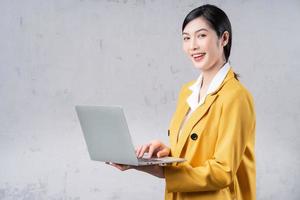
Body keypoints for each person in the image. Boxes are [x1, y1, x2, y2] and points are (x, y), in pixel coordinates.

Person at [109, 4, 256, 200]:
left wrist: (161, 171)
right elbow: (197, 154)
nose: (192, 45)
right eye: (186, 38)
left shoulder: (236, 96)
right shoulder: (187, 91)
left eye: (201, 36)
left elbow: (223, 171)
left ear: (224, 38)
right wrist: (166, 154)